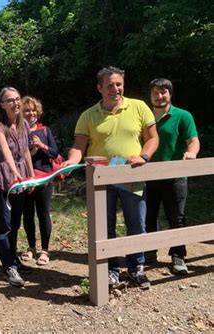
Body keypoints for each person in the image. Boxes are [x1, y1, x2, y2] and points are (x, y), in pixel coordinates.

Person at [63, 66, 159, 289]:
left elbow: (153, 139)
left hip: (132, 174)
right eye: (110, 85)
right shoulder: (88, 115)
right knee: (105, 228)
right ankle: (111, 271)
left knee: (136, 224)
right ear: (99, 88)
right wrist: (71, 160)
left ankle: (136, 268)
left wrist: (144, 156)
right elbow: (78, 147)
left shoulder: (139, 107)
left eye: (119, 84)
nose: (115, 89)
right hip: (100, 180)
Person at [145, 78, 200, 274]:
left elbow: (193, 140)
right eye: (155, 92)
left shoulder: (182, 116)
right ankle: (149, 253)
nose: (159, 96)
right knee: (148, 216)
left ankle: (178, 256)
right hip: (148, 175)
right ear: (150, 94)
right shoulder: (144, 116)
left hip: (176, 176)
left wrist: (192, 152)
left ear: (170, 94)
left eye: (163, 92)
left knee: (177, 218)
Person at [0, 87, 35, 288]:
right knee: (5, 225)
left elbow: (25, 150)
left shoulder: (24, 124)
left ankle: (14, 259)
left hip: (20, 179)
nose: (15, 103)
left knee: (16, 222)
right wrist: (14, 172)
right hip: (5, 180)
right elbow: (6, 152)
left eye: (17, 99)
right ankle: (8, 266)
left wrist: (31, 175)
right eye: (10, 100)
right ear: (2, 105)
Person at [20, 96, 59, 266]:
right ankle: (31, 247)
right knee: (27, 213)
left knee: (43, 213)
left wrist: (42, 146)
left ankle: (45, 249)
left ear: (38, 112)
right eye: (27, 110)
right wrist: (30, 151)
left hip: (44, 177)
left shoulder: (45, 130)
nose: (30, 113)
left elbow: (55, 152)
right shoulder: (18, 131)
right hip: (26, 178)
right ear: (21, 113)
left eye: (33, 110)